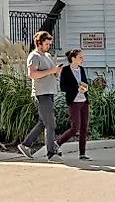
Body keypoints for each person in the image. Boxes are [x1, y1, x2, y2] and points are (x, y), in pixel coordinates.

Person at [19, 30, 62, 161]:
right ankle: (51, 152)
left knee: (43, 122)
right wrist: (50, 71)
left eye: (50, 44)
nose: (49, 46)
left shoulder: (47, 56)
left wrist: (56, 72)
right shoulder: (34, 56)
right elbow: (32, 74)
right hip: (41, 93)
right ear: (39, 43)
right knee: (51, 124)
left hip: (49, 91)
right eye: (47, 44)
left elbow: (50, 72)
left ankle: (25, 145)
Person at [57, 48, 91, 160]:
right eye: (80, 57)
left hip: (84, 101)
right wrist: (77, 88)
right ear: (73, 58)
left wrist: (85, 88)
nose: (82, 59)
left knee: (84, 128)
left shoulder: (81, 69)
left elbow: (85, 82)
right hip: (73, 102)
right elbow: (63, 87)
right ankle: (57, 143)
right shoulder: (65, 70)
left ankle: (82, 153)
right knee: (75, 127)